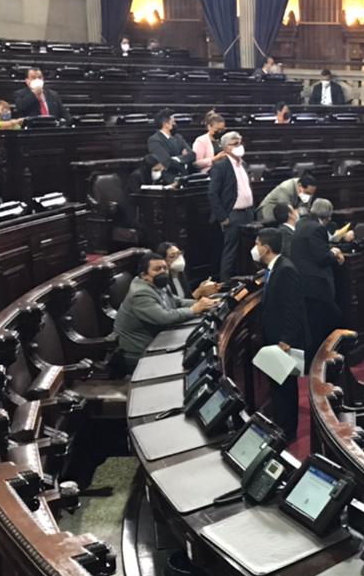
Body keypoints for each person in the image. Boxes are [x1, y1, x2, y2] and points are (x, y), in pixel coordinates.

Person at [114, 252, 217, 370]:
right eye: (157, 269)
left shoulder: (159, 284)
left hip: (158, 340)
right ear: (144, 275)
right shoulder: (140, 293)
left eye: (165, 268)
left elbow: (178, 302)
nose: (163, 272)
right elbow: (164, 318)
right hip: (139, 352)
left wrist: (206, 303)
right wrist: (193, 310)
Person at [254, 227, 307, 438]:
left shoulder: (286, 269)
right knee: (277, 384)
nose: (255, 248)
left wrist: (287, 339)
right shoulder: (273, 268)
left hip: (282, 340)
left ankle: (288, 429)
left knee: (285, 385)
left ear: (266, 248)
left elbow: (293, 306)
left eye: (257, 244)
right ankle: (281, 424)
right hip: (273, 335)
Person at [291, 197, 346, 364]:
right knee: (329, 320)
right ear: (328, 216)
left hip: (304, 282)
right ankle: (321, 359)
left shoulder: (302, 223)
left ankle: (317, 359)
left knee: (314, 324)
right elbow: (321, 257)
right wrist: (334, 253)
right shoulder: (317, 229)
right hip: (316, 285)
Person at [207, 131, 255, 279]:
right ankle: (225, 284)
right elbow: (212, 193)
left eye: (240, 143)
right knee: (231, 252)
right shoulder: (221, 166)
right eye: (235, 144)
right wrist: (223, 217)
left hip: (248, 213)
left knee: (248, 250)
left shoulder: (243, 164)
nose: (239, 146)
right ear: (226, 147)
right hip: (232, 215)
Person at [147, 109, 193, 178]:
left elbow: (192, 154)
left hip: (184, 174)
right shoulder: (154, 140)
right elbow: (167, 162)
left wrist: (175, 158)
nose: (175, 124)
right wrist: (182, 158)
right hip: (167, 176)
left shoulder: (178, 137)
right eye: (173, 122)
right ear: (166, 124)